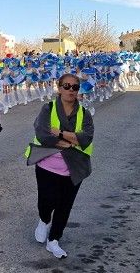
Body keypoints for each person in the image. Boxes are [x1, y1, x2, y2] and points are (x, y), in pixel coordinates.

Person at [24, 73, 94, 259]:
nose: (71, 90)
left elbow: (86, 138)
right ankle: (44, 219)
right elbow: (43, 134)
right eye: (66, 86)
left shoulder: (84, 113)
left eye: (75, 87)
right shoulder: (48, 108)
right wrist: (71, 139)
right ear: (59, 88)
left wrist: (60, 133)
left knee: (65, 206)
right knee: (46, 202)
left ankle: (54, 240)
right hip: (47, 166)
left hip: (74, 167)